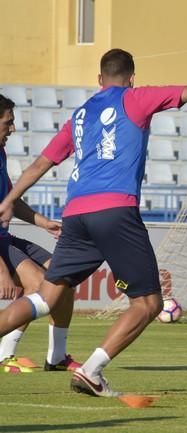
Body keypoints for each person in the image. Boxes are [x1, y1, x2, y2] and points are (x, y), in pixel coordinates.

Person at [0, 49, 187, 397]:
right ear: (131, 78)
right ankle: (92, 371)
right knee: (148, 303)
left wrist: (10, 199)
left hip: (75, 213)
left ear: (99, 80)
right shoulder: (135, 98)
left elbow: (40, 164)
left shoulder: (79, 115)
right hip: (115, 211)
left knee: (46, 296)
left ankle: (72, 362)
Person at [0, 94, 79, 373]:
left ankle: (57, 356)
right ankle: (4, 355)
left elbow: (12, 200)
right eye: (8, 122)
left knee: (64, 279)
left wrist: (45, 223)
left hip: (5, 237)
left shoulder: (1, 152)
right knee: (37, 285)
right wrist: (1, 271)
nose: (12, 129)